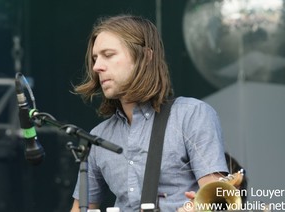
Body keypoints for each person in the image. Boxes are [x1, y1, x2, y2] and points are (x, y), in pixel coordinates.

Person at [70, 14, 228, 212]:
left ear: (146, 56)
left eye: (108, 55)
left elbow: (220, 200)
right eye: (95, 58)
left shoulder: (191, 115)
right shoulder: (98, 138)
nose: (96, 66)